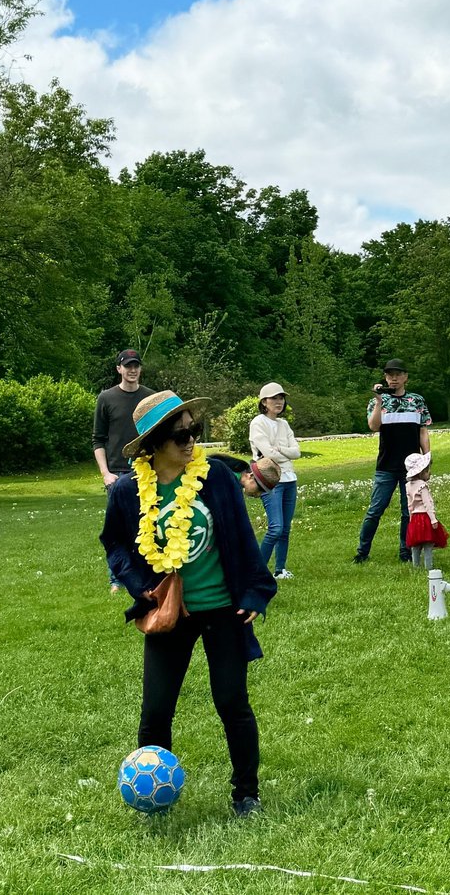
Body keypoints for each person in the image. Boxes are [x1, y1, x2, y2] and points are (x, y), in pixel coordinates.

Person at [101, 390, 275, 818]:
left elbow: (240, 537)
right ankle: (150, 795)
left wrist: (255, 590)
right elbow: (115, 544)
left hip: (223, 609)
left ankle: (246, 795)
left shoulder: (214, 477)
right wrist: (138, 583)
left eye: (194, 430)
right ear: (154, 443)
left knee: (232, 701)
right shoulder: (127, 491)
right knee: (156, 710)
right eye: (180, 434)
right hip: (169, 613)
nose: (190, 440)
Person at [355, 359, 431, 564]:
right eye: (389, 375)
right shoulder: (377, 401)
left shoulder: (417, 401)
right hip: (386, 466)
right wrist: (379, 401)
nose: (393, 378)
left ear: (406, 376)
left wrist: (427, 460)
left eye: (397, 374)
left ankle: (405, 552)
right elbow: (373, 426)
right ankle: (362, 552)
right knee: (375, 510)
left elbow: (423, 431)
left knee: (409, 512)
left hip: (412, 467)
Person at [248, 383, 301, 580]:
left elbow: (297, 452)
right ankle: (257, 573)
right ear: (264, 402)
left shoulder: (283, 424)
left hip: (289, 478)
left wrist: (281, 450)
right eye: (274, 398)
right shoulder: (258, 423)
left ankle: (279, 570)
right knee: (276, 528)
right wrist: (280, 451)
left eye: (281, 398)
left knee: (285, 529)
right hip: (269, 481)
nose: (279, 402)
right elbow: (268, 454)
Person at [93, 348, 151, 489]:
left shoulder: (151, 398)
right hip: (117, 473)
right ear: (119, 369)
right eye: (128, 366)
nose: (132, 370)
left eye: (136, 366)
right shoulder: (106, 398)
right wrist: (106, 473)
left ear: (140, 369)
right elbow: (98, 439)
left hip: (147, 469)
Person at [403, 452, 445, 569]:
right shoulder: (422, 485)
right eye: (427, 471)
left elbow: (409, 505)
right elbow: (428, 504)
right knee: (428, 544)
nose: (429, 473)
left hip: (415, 519)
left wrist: (411, 519)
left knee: (415, 545)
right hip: (425, 517)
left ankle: (415, 566)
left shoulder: (408, 486)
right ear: (421, 472)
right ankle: (429, 567)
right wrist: (433, 519)